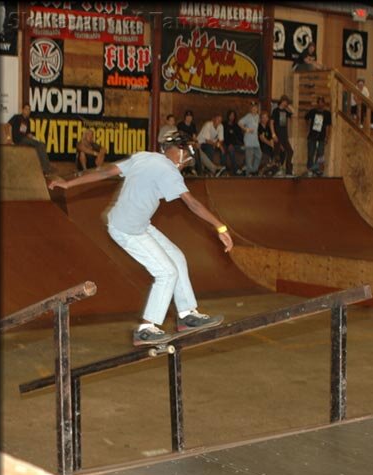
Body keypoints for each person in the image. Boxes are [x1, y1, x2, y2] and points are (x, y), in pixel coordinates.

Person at [48, 132, 233, 346]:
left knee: (177, 257)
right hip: (127, 230)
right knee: (166, 272)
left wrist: (69, 183)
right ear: (179, 153)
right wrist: (220, 226)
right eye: (189, 156)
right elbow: (192, 203)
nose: (188, 162)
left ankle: (186, 314)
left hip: (139, 225)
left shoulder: (144, 156)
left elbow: (106, 170)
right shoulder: (169, 171)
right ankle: (146, 329)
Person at [5, 103, 55, 175]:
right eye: (26, 109)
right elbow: (6, 126)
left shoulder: (28, 121)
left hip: (25, 139)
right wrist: (8, 138)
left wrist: (34, 138)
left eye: (29, 110)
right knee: (39, 144)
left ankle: (44, 166)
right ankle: (46, 168)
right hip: (19, 140)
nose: (28, 111)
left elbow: (28, 134)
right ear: (22, 110)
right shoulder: (17, 117)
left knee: (42, 144)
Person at [304, 96, 332, 176]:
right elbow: (306, 118)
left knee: (320, 154)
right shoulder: (313, 111)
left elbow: (327, 126)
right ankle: (309, 168)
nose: (320, 104)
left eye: (322, 103)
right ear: (317, 103)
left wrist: (327, 136)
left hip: (322, 136)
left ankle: (317, 170)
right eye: (319, 103)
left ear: (324, 103)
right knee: (310, 153)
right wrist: (308, 126)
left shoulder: (327, 113)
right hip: (312, 135)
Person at [270, 95, 295, 176]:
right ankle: (275, 170)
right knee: (277, 153)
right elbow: (271, 123)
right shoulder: (275, 111)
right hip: (277, 135)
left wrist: (288, 106)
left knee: (290, 151)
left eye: (287, 102)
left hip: (284, 136)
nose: (286, 103)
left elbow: (294, 113)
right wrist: (273, 134)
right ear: (281, 101)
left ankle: (288, 171)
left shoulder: (285, 111)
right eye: (285, 101)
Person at [238, 101, 262, 176]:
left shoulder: (257, 116)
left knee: (259, 155)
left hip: (255, 140)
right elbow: (239, 122)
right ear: (251, 109)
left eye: (255, 108)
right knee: (249, 159)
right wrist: (246, 129)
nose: (254, 109)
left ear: (257, 109)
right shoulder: (248, 116)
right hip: (248, 140)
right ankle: (248, 174)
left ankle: (253, 170)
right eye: (252, 108)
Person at [223, 110, 245, 175]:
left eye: (233, 115)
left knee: (248, 149)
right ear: (228, 116)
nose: (232, 117)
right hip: (227, 145)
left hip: (236, 145)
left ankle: (244, 167)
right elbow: (223, 136)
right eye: (230, 115)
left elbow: (240, 136)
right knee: (231, 150)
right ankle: (236, 170)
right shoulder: (224, 124)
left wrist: (244, 143)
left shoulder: (236, 125)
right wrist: (229, 144)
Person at [258, 110, 280, 176]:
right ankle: (262, 171)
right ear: (260, 119)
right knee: (266, 155)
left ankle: (273, 168)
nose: (264, 119)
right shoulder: (259, 127)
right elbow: (262, 139)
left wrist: (272, 144)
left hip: (268, 147)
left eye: (266, 117)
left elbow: (271, 138)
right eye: (263, 117)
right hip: (261, 147)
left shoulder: (268, 127)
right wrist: (270, 144)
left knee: (277, 155)